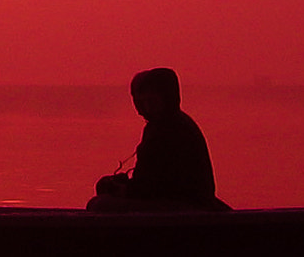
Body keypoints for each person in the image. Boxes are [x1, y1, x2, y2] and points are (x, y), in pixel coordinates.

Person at [90, 67, 227, 210]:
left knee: (99, 204)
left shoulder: (168, 130)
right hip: (183, 201)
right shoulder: (174, 124)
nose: (143, 108)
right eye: (140, 102)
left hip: (182, 206)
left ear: (167, 98)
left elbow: (154, 187)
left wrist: (122, 190)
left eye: (150, 100)